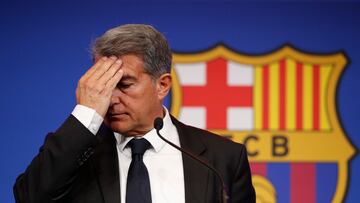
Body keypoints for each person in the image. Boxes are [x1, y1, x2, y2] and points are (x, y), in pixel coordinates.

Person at [13, 24, 255, 203]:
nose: (110, 98)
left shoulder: (221, 158)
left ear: (162, 85)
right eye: (103, 84)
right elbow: (29, 198)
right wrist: (86, 113)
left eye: (124, 84)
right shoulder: (74, 153)